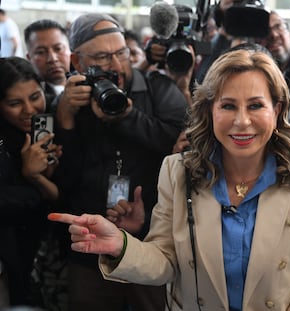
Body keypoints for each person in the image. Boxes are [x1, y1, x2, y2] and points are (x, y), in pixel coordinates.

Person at [49, 48, 290, 311]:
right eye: (228, 105)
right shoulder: (176, 171)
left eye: (256, 105)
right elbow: (165, 261)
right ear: (209, 111)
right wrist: (122, 246)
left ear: (278, 109)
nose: (242, 121)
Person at [52, 13, 187, 311]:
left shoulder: (158, 89)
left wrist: (128, 117)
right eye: (101, 57)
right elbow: (60, 180)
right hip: (88, 249)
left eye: (121, 52)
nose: (116, 65)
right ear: (77, 62)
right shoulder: (69, 103)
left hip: (151, 243)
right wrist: (64, 120)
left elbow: (181, 146)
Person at [0, 57, 62, 307]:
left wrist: (42, 176)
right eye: (15, 103)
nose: (29, 110)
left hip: (50, 255)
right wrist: (31, 180)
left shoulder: (57, 122)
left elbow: (62, 198)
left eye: (35, 97)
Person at [24, 19, 71, 111]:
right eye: (41, 52)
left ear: (70, 50)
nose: (52, 59)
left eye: (58, 49)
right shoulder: (30, 100)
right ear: (29, 58)